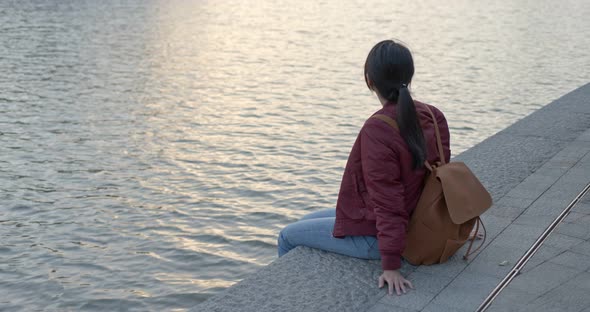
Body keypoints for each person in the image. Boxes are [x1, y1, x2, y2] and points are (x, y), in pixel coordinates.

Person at [277, 40, 451, 296]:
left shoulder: (379, 128)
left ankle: (289, 296)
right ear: (409, 75)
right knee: (305, 221)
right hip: (421, 217)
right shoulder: (433, 115)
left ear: (370, 80)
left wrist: (390, 264)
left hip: (382, 236)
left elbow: (388, 201)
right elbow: (439, 173)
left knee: (287, 236)